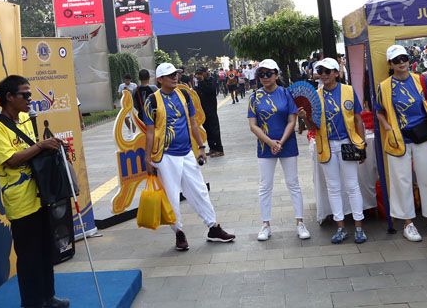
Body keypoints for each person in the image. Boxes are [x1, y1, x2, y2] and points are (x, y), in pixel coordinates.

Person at [0, 75, 69, 308]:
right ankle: (32, 302)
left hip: (41, 195)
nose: (30, 99)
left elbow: (34, 153)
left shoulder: (26, 119)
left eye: (30, 94)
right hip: (20, 202)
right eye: (25, 95)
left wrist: (50, 146)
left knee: (45, 250)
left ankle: (48, 296)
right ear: (9, 97)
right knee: (29, 256)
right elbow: (11, 160)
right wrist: (40, 146)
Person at [142, 63, 235, 251]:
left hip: (186, 152)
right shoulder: (151, 101)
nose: (174, 77)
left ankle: (213, 227)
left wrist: (201, 146)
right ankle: (179, 233)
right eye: (169, 75)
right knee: (172, 197)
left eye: (175, 74)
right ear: (160, 80)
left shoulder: (184, 95)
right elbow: (150, 133)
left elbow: (193, 123)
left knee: (199, 190)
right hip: (165, 156)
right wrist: (148, 159)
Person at [375, 45, 427, 243]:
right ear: (390, 64)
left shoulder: (420, 79)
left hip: (422, 134)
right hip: (398, 138)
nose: (401, 63)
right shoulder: (384, 86)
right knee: (401, 180)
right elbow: (379, 110)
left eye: (404, 58)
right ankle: (408, 223)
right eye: (396, 60)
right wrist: (387, 126)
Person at [247, 59, 310, 241]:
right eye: (261, 74)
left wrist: (280, 141)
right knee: (265, 186)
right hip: (265, 146)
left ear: (276, 75)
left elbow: (292, 120)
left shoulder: (286, 93)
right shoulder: (254, 97)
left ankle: (300, 222)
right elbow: (253, 125)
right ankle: (265, 224)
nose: (265, 77)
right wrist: (270, 142)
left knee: (293, 183)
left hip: (287, 143)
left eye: (269, 74)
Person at [312, 57, 368, 245]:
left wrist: (361, 143)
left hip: (347, 143)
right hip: (327, 146)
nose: (324, 75)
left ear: (337, 73)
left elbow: (358, 119)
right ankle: (340, 227)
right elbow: (312, 125)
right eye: (321, 71)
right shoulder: (316, 95)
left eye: (328, 71)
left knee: (352, 186)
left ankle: (359, 227)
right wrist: (304, 118)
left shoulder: (348, 91)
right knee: (333, 188)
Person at [195, 68, 225, 158]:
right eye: (197, 74)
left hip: (211, 110)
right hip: (203, 111)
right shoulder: (199, 82)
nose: (198, 75)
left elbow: (211, 91)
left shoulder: (211, 80)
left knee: (214, 130)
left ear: (205, 73)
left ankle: (219, 149)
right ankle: (212, 148)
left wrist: (202, 81)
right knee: (208, 130)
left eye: (200, 73)